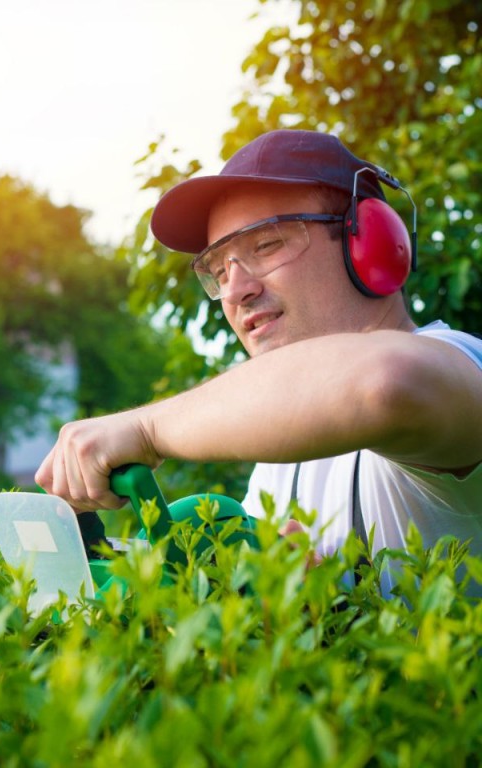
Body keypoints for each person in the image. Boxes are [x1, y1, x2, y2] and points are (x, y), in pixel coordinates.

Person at [35, 129, 482, 586]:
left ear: (371, 242)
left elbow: (386, 382)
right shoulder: (284, 447)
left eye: (266, 244)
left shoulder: (461, 364)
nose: (235, 290)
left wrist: (145, 430)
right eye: (218, 269)